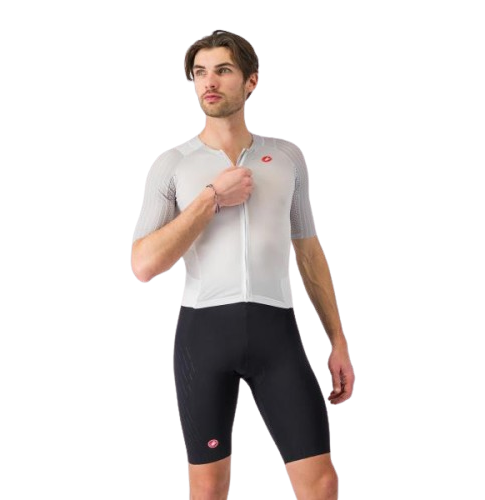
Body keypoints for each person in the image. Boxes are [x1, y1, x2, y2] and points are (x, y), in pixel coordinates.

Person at [131, 29, 354, 500]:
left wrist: (337, 340)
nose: (209, 82)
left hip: (278, 334)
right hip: (203, 337)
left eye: (223, 70)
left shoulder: (287, 157)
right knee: (208, 488)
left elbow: (309, 252)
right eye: (200, 73)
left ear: (251, 81)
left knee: (322, 482)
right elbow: (144, 264)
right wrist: (212, 197)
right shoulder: (173, 164)